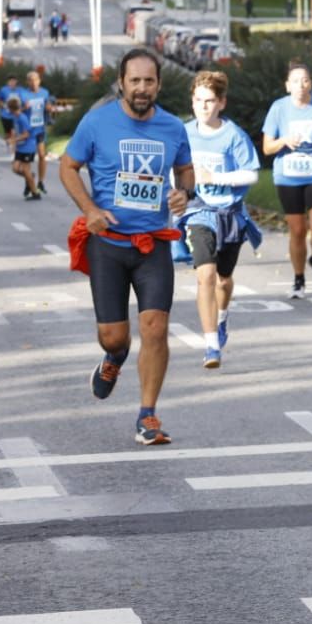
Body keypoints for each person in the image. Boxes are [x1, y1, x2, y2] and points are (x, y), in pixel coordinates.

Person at [60, 47, 194, 446]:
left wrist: (184, 192)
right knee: (114, 337)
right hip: (109, 245)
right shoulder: (97, 122)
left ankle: (147, 415)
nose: (141, 88)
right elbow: (67, 167)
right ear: (121, 83)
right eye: (134, 80)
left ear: (158, 85)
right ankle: (114, 359)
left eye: (148, 81)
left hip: (153, 245)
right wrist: (90, 209)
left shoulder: (172, 127)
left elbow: (185, 170)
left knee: (156, 327)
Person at [175, 71, 261, 368]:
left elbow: (251, 173)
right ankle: (211, 345)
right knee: (206, 275)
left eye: (210, 101)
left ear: (221, 103)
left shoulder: (233, 135)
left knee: (224, 279)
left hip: (230, 214)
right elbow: (171, 168)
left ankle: (222, 318)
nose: (203, 106)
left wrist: (216, 177)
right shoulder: (183, 132)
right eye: (198, 100)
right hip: (199, 210)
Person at [262, 61, 312, 299]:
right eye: (295, 81)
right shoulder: (279, 108)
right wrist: (284, 140)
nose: (300, 85)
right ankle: (299, 279)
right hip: (288, 176)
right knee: (297, 230)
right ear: (288, 86)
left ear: (311, 84)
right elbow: (267, 147)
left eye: (304, 80)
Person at [19, 71, 57, 193]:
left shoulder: (44, 92)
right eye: (31, 80)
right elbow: (16, 110)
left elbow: (49, 107)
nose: (34, 82)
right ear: (27, 82)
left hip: (40, 128)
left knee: (41, 155)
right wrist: (24, 108)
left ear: (39, 81)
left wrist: (49, 109)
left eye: (36, 80)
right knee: (28, 159)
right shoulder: (22, 94)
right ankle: (28, 182)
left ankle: (40, 182)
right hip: (27, 130)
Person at [5, 95, 41, 199]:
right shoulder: (15, 117)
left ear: (11, 109)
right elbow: (16, 132)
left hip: (28, 147)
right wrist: (14, 144)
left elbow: (26, 134)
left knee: (25, 170)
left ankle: (35, 193)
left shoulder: (22, 118)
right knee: (15, 169)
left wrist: (13, 140)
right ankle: (30, 177)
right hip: (20, 147)